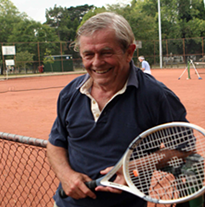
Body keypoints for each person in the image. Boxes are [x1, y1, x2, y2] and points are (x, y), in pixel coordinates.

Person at [47, 12, 190, 207]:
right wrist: (66, 175)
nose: (96, 63)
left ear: (129, 52)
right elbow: (56, 143)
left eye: (106, 53)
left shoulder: (156, 96)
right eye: (88, 55)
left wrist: (133, 166)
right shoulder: (70, 93)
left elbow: (185, 151)